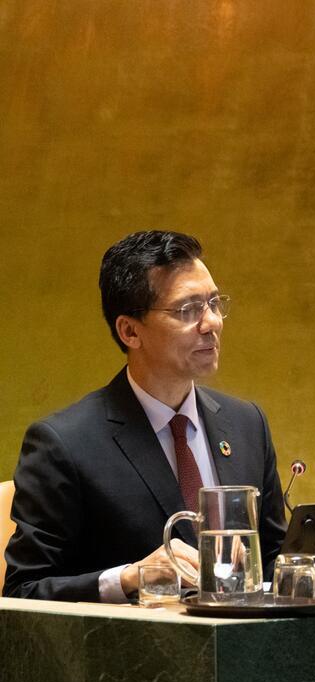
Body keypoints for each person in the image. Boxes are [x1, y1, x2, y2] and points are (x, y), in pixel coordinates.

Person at [3, 231, 287, 601]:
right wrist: (128, 578)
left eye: (214, 303)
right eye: (188, 310)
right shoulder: (64, 444)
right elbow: (23, 592)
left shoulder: (247, 424)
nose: (212, 323)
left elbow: (275, 562)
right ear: (130, 331)